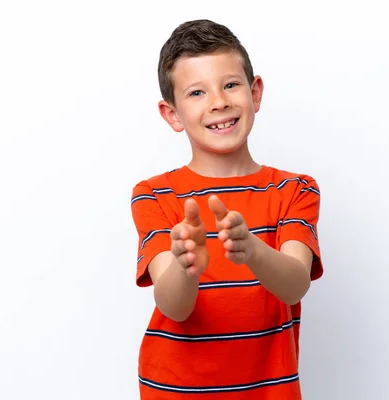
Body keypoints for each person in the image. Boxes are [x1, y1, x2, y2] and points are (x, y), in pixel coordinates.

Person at [130, 19, 323, 399]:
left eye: (231, 85)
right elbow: (174, 307)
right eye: (197, 92)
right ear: (172, 114)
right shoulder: (154, 194)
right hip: (174, 390)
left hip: (269, 391)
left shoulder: (294, 190)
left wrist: (251, 249)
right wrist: (186, 268)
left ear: (255, 93)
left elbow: (295, 286)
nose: (218, 101)